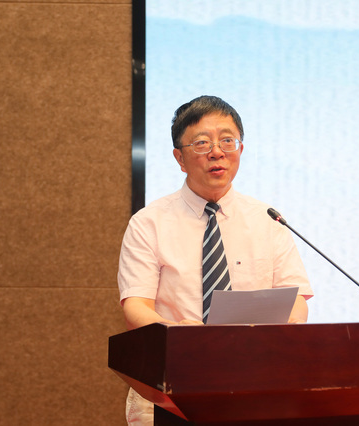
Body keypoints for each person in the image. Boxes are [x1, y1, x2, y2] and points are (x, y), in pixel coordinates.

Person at [117, 95, 313, 425]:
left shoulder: (268, 219)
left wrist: (289, 330)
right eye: (202, 143)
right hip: (170, 388)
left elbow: (294, 298)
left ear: (240, 149)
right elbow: (135, 307)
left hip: (255, 383)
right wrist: (179, 335)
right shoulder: (148, 223)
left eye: (227, 140)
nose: (217, 152)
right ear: (179, 157)